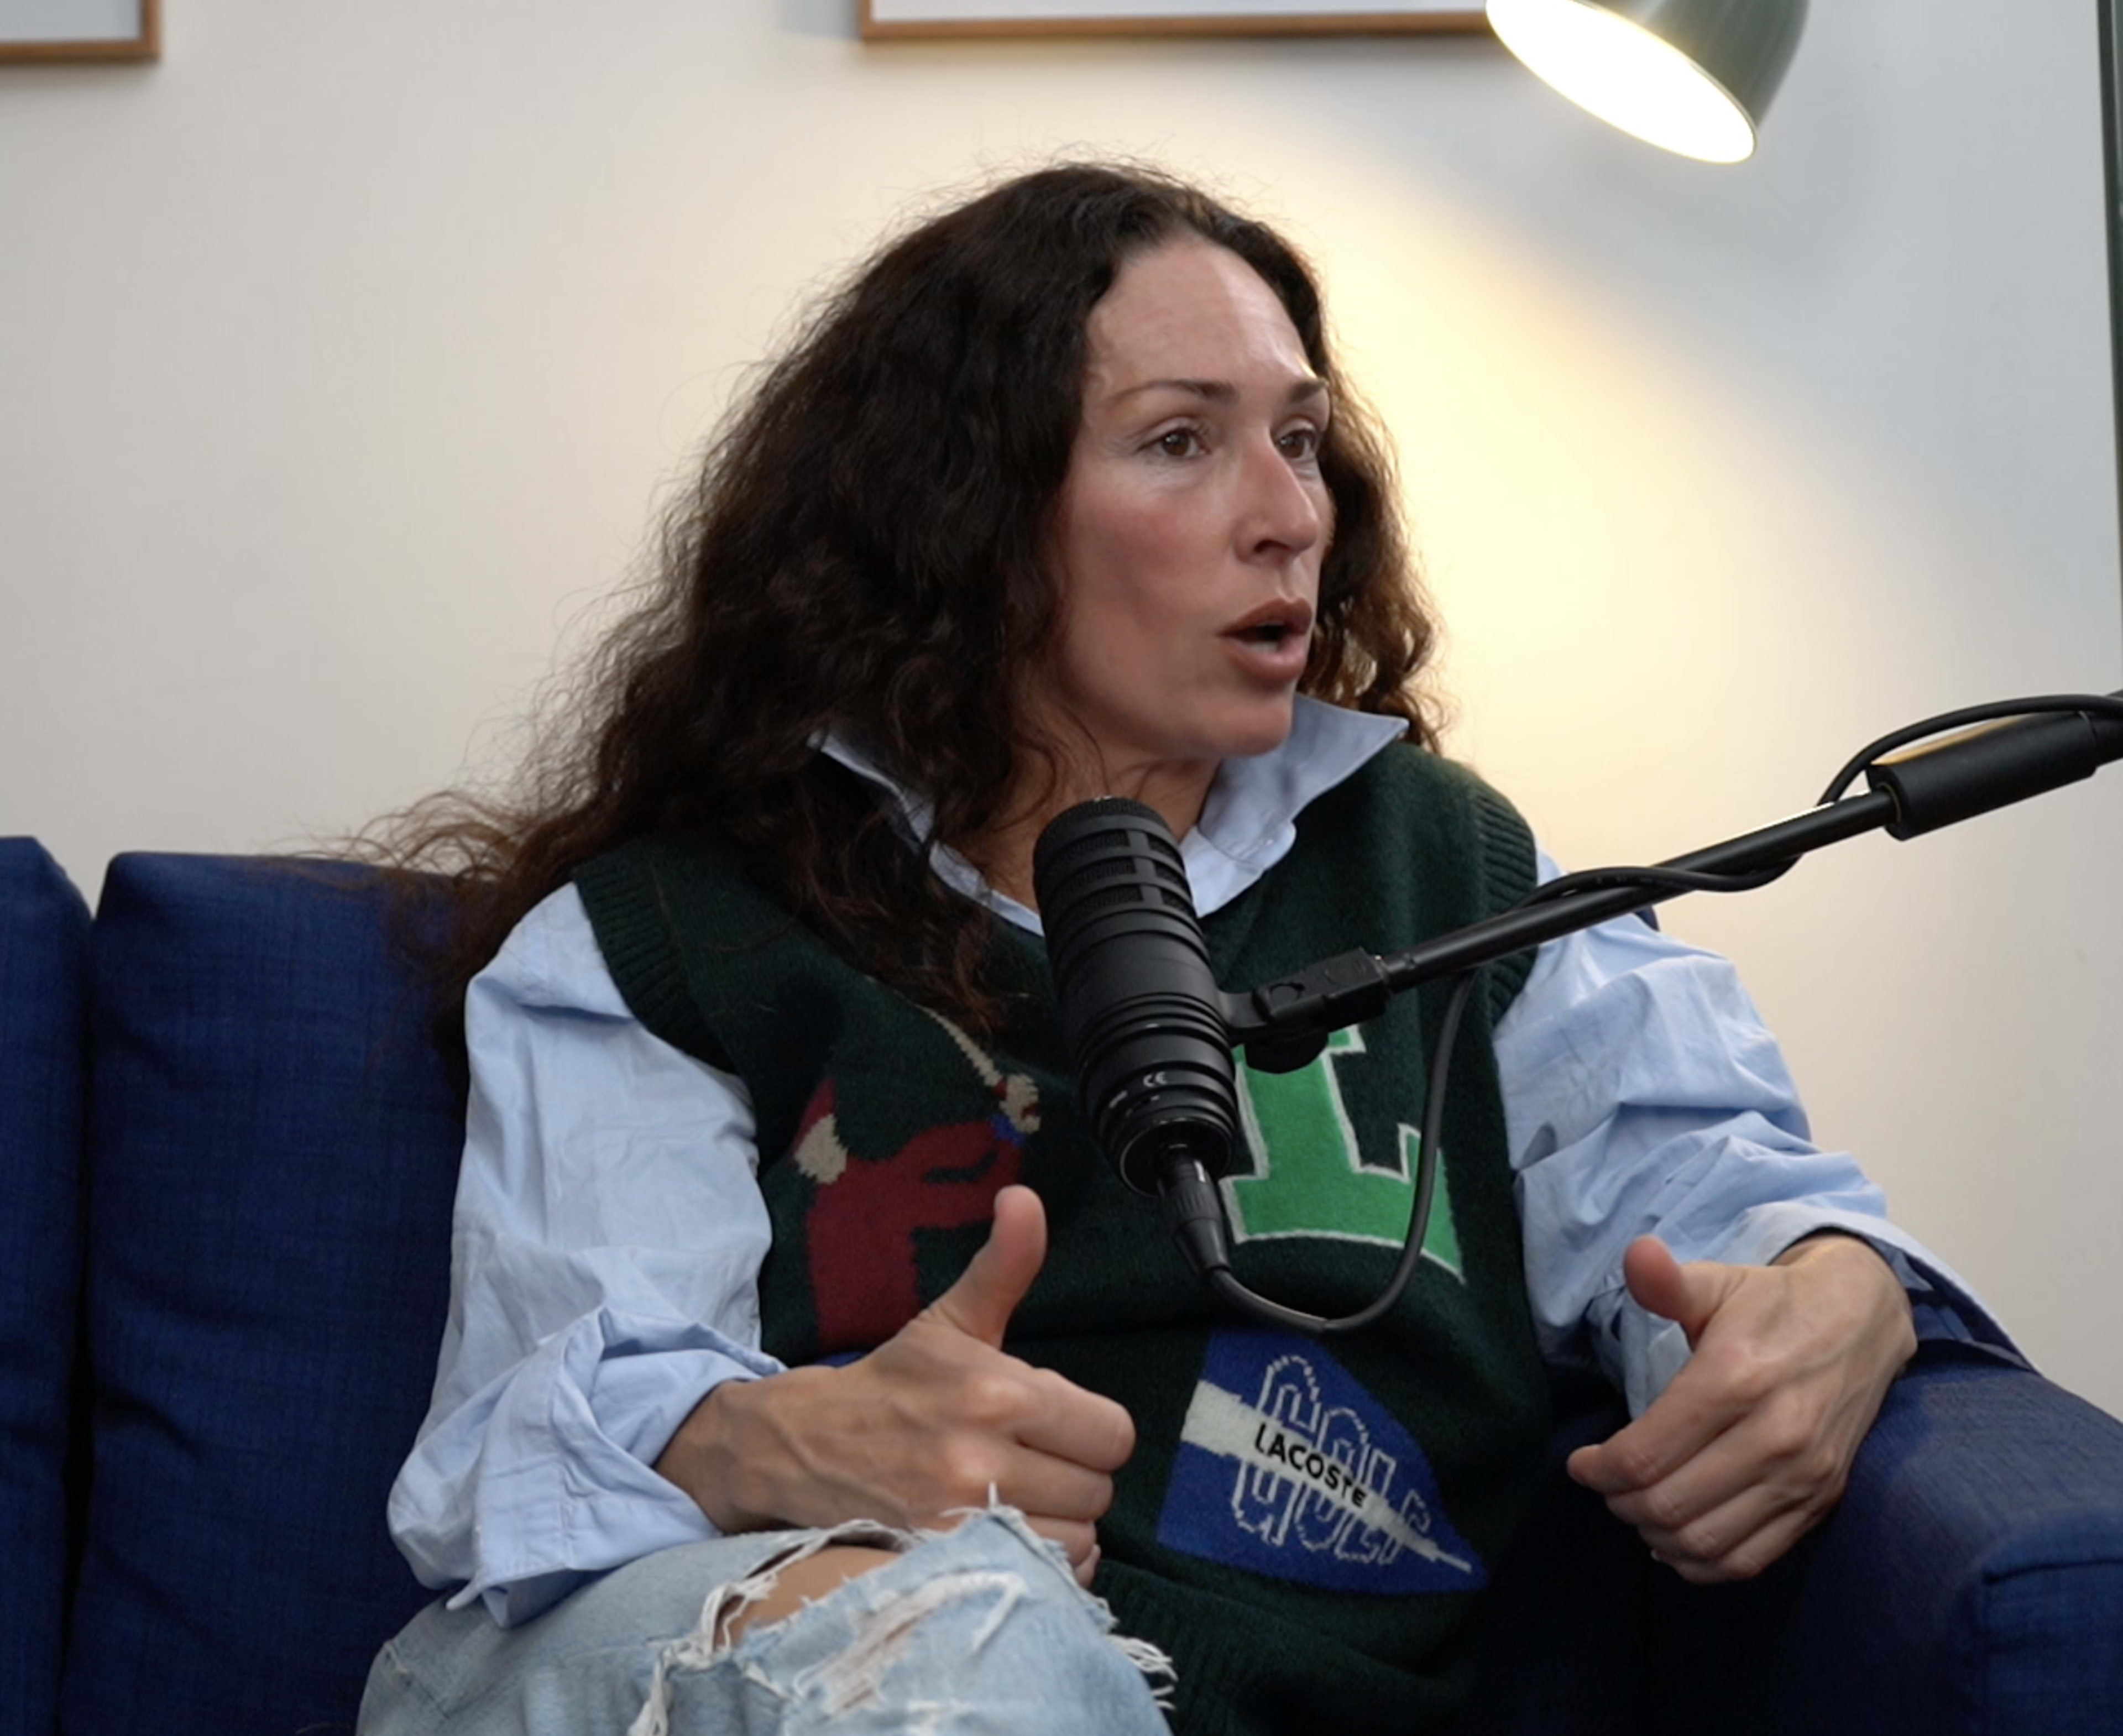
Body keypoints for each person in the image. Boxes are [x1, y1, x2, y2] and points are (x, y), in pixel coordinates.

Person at [355, 163, 2012, 1736]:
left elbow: (1724, 1195)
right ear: (968, 519)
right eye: (1179, 442)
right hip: (740, 1669)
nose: (1290, 512)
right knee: (965, 1633)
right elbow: (521, 1453)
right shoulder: (679, 936)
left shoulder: (1447, 872)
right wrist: (793, 1437)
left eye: (1302, 440)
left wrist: (1835, 1292)